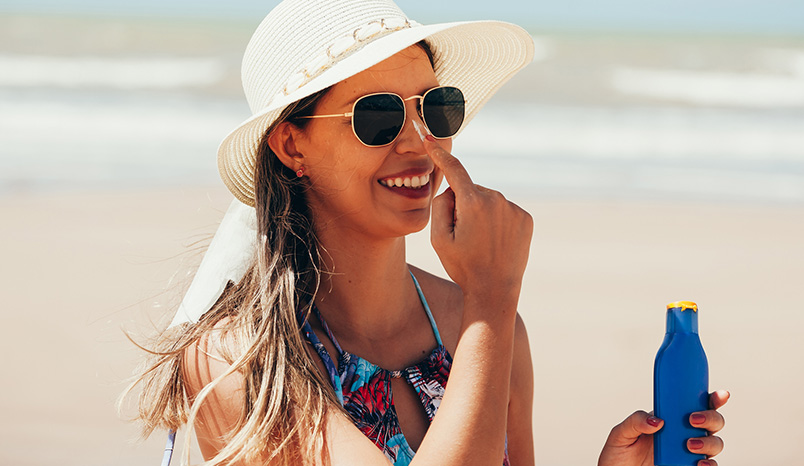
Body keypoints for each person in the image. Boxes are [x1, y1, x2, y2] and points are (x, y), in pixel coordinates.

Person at [126, 1, 728, 465]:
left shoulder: (492, 332)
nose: (419, 141)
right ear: (292, 145)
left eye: (435, 108)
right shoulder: (240, 360)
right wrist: (490, 296)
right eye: (380, 115)